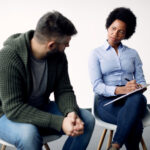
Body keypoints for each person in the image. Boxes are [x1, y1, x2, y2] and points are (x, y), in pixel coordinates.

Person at [0, 11, 95, 150]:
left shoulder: (58, 56)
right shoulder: (9, 57)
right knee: (29, 135)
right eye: (66, 43)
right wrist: (60, 122)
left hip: (41, 107)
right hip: (7, 115)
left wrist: (70, 112)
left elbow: (64, 90)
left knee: (86, 120)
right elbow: (14, 108)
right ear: (51, 45)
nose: (67, 46)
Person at [88, 7, 147, 150]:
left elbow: (141, 81)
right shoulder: (96, 54)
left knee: (138, 98)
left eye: (121, 31)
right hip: (107, 102)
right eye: (113, 28)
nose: (115, 34)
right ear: (108, 27)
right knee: (135, 124)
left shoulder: (133, 54)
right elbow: (97, 86)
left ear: (126, 34)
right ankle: (117, 145)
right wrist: (120, 90)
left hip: (132, 100)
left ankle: (115, 145)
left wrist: (138, 86)